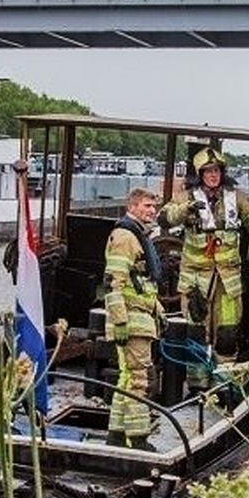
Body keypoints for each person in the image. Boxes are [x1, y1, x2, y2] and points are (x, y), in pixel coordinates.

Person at [158, 147, 249, 394]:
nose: (213, 175)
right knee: (196, 333)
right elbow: (164, 218)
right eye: (208, 171)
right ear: (200, 174)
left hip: (228, 280)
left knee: (228, 333)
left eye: (217, 171)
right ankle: (197, 386)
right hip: (197, 280)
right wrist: (185, 210)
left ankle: (224, 385)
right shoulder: (186, 197)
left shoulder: (235, 197)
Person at [103, 187, 166, 451]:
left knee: (126, 377)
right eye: (147, 206)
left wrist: (158, 310)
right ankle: (137, 439)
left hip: (140, 317)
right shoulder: (126, 237)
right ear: (133, 207)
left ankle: (116, 435)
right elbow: (113, 282)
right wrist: (119, 321)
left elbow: (141, 282)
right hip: (131, 320)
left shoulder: (138, 236)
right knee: (139, 379)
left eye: (154, 207)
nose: (152, 211)